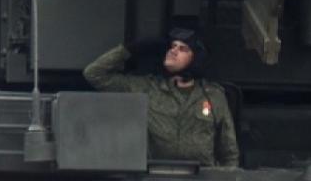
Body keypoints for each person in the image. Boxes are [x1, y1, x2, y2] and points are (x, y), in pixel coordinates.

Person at [83, 27, 239, 168]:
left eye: (182, 49)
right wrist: (129, 49)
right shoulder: (147, 88)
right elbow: (94, 74)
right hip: (155, 177)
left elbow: (229, 152)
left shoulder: (213, 95)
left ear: (196, 58)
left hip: (204, 180)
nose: (173, 51)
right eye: (172, 46)